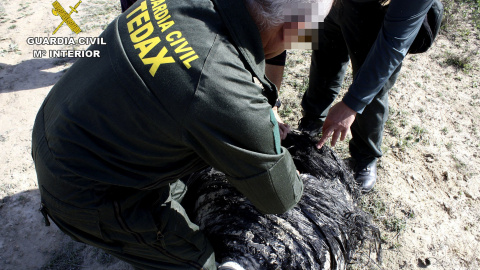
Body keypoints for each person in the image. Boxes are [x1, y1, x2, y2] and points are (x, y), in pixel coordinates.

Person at [32, 0, 332, 269]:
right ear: (291, 31)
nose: (309, 40)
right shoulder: (223, 89)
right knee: (197, 262)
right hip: (82, 189)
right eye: (309, 33)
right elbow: (279, 198)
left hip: (58, 126)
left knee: (187, 196)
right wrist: (261, 135)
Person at [295, 0, 435, 192]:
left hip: (376, 11)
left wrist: (351, 105)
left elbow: (392, 45)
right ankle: (311, 124)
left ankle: (364, 156)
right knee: (324, 62)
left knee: (370, 78)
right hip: (332, 4)